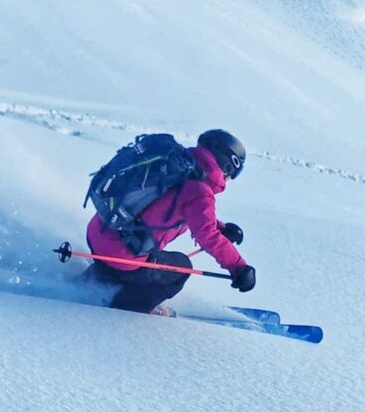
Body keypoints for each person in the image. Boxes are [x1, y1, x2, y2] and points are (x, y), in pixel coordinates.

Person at [84, 128, 255, 314]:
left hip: (98, 232)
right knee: (181, 268)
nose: (229, 180)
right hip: (120, 256)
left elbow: (182, 210)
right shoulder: (200, 191)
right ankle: (127, 308)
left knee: (145, 254)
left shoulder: (176, 164)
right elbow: (207, 235)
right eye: (233, 174)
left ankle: (95, 279)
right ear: (227, 166)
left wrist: (220, 227)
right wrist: (239, 267)